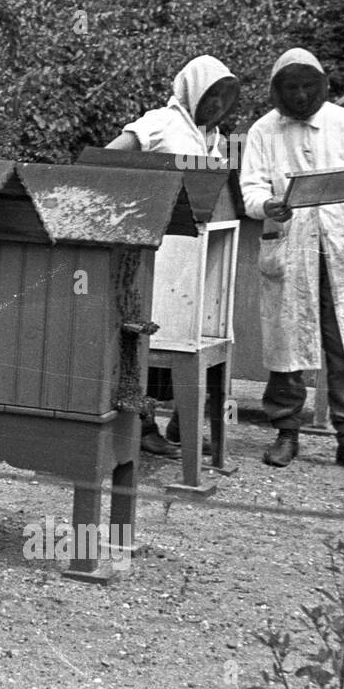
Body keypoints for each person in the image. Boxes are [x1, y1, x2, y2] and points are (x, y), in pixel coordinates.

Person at [238, 48, 344, 476]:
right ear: (277, 90)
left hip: (340, 250)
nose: (300, 95)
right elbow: (250, 187)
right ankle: (286, 432)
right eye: (291, 87)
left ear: (321, 85)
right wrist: (268, 204)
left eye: (307, 86)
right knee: (288, 344)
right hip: (291, 249)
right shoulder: (264, 130)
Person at [105, 55, 240, 456]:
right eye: (209, 95)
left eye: (222, 98)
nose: (215, 105)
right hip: (158, 253)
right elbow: (113, 157)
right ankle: (141, 428)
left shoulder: (212, 138)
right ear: (190, 90)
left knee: (188, 339)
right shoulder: (161, 121)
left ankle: (179, 425)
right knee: (146, 337)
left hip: (192, 258)